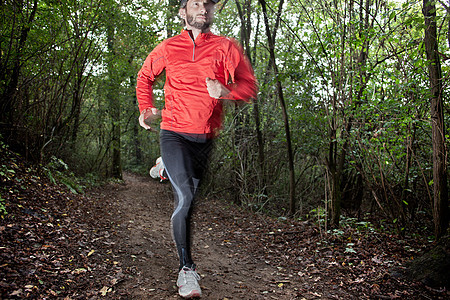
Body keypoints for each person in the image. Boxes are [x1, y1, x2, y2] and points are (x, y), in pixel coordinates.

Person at [136, 0, 257, 298]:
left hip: (205, 137)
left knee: (191, 195)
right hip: (174, 131)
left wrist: (228, 92)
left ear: (213, 11)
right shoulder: (168, 47)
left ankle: (166, 164)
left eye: (208, 3)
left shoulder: (226, 47)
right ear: (183, 11)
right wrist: (146, 108)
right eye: (195, 2)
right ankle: (186, 270)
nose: (203, 7)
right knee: (186, 197)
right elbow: (145, 77)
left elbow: (249, 86)